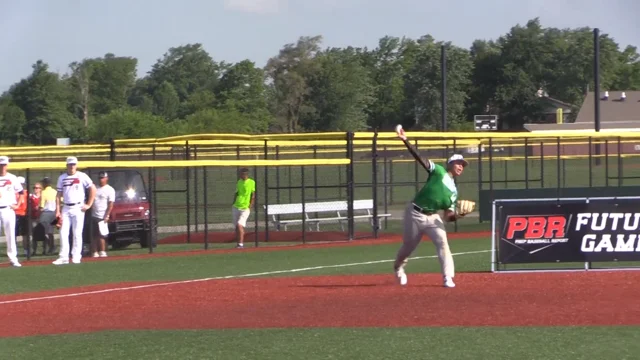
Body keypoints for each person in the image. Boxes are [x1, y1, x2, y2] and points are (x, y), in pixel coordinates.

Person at [392, 126, 472, 288]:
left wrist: (459, 215)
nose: (461, 166)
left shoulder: (454, 192)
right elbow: (421, 159)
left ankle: (448, 277)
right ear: (450, 164)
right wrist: (405, 141)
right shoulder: (439, 172)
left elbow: (448, 216)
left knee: (443, 243)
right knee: (408, 246)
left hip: (433, 217)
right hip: (414, 213)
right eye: (458, 163)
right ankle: (398, 267)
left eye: (463, 165)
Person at [52, 157, 96, 265]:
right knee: (63, 233)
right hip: (66, 207)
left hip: (78, 207)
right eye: (70, 164)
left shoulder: (82, 176)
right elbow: (58, 195)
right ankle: (63, 256)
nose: (72, 166)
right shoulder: (62, 177)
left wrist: (89, 204)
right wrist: (57, 210)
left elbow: (92, 188)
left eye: (73, 164)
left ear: (76, 165)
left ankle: (76, 256)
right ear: (66, 165)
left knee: (77, 233)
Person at [0, 156, 25, 267]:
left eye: (4, 165)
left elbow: (21, 192)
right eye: (1, 165)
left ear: (7, 165)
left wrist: (18, 205)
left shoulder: (12, 177)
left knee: (10, 234)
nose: (2, 167)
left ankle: (13, 258)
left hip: (8, 209)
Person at [90, 171, 114, 258]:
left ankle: (102, 251)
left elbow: (111, 204)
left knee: (102, 235)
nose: (101, 180)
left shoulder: (110, 190)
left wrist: (107, 215)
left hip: (102, 215)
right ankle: (94, 251)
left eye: (103, 178)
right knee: (94, 235)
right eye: (100, 178)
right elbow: (91, 199)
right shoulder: (95, 188)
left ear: (106, 178)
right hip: (94, 215)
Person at [232, 168, 255, 248]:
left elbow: (253, 195)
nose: (241, 175)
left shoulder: (251, 182)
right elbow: (237, 193)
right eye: (240, 173)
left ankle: (241, 244)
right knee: (237, 227)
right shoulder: (239, 182)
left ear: (246, 174)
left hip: (245, 208)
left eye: (242, 174)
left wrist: (250, 205)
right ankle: (238, 243)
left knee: (239, 225)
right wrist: (233, 203)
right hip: (236, 206)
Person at [39, 177, 57, 255]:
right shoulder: (55, 191)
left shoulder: (43, 192)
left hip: (46, 214)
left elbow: (41, 206)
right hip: (54, 213)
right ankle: (51, 246)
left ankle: (50, 247)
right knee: (50, 231)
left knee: (44, 232)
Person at [27, 182, 42, 255]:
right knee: (34, 234)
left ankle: (45, 249)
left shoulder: (42, 196)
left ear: (40, 189)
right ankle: (34, 250)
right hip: (33, 217)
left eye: (37, 188)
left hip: (41, 217)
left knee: (45, 234)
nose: (35, 189)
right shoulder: (31, 196)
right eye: (34, 188)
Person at [15, 176, 28, 256]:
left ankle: (26, 250)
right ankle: (14, 250)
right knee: (14, 234)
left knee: (25, 234)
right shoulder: (14, 193)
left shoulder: (26, 193)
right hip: (15, 214)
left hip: (24, 214)